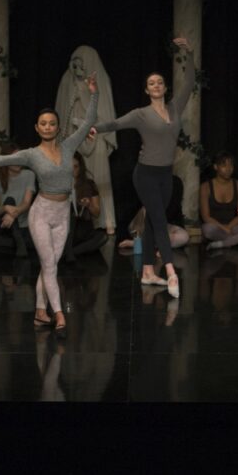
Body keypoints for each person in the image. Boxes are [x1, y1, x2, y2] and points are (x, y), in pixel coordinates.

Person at [0, 74, 99, 337]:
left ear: (57, 127)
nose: (47, 127)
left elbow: (89, 121)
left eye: (52, 123)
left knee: (48, 266)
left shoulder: (68, 147)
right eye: (43, 124)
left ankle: (39, 313)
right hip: (41, 214)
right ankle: (59, 316)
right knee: (50, 266)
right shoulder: (31, 155)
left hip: (62, 215)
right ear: (37, 128)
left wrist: (94, 92)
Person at [89, 37, 195, 297]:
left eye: (159, 82)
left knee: (151, 224)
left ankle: (148, 272)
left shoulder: (175, 108)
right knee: (159, 220)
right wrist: (94, 128)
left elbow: (190, 82)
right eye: (151, 83)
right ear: (147, 90)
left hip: (165, 175)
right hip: (145, 174)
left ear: (165, 87)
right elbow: (115, 124)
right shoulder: (140, 114)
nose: (156, 85)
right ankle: (170, 270)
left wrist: (190, 54)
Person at [56, 45, 119, 235]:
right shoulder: (67, 81)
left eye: (81, 65)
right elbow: (62, 110)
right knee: (73, 175)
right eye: (74, 65)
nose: (77, 70)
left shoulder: (100, 81)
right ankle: (71, 219)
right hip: (73, 136)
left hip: (94, 136)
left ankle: (105, 218)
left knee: (99, 178)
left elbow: (104, 113)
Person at [0, 141, 35, 257]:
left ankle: (13, 242)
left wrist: (12, 215)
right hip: (3, 225)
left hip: (23, 226)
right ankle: (17, 242)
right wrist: (5, 208)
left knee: (31, 244)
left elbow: (26, 203)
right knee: (9, 200)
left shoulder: (29, 175)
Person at [64, 152, 109, 260]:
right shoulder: (59, 185)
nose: (72, 170)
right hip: (66, 230)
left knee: (102, 237)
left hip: (84, 229)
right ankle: (70, 251)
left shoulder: (89, 184)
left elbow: (97, 213)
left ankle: (70, 252)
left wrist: (88, 204)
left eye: (75, 167)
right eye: (69, 167)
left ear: (80, 168)